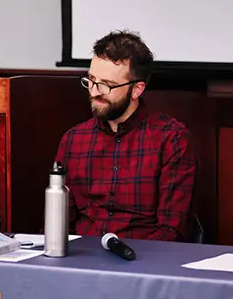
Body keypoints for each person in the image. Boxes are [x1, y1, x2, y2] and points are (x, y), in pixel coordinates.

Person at [54, 30, 197, 241]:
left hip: (142, 261)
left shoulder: (171, 140)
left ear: (137, 90)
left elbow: (170, 231)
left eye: (107, 85)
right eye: (91, 80)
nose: (94, 92)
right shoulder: (73, 140)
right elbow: (59, 224)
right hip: (83, 260)